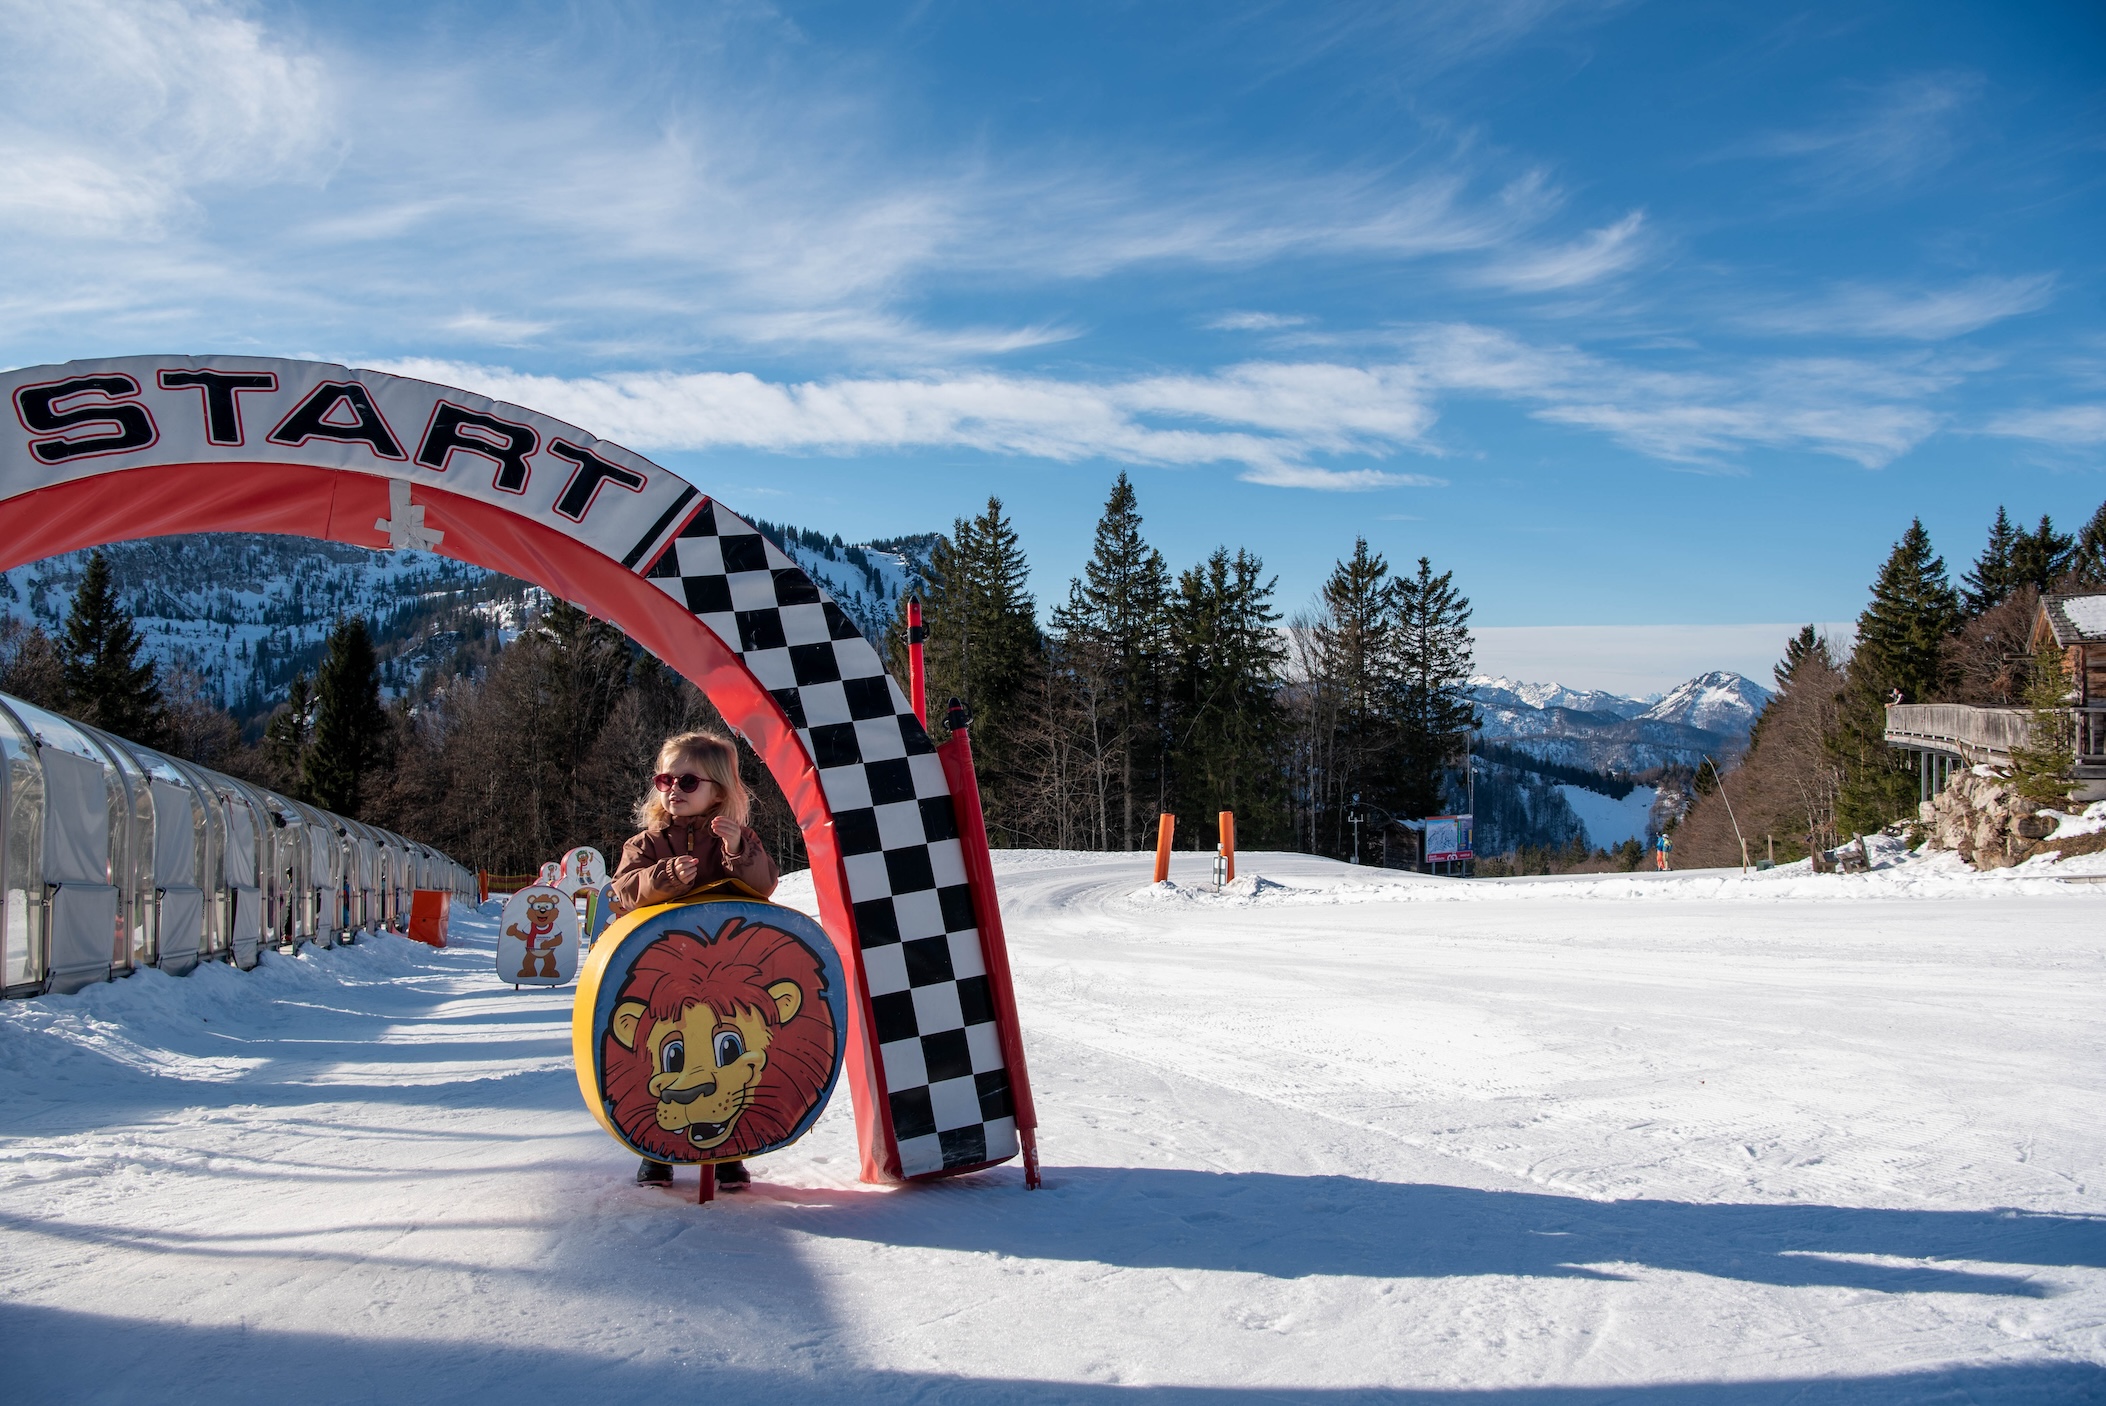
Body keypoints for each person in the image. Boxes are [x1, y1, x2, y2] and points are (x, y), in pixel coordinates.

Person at [611, 729, 781, 1191]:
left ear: (719, 790)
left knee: (724, 1058)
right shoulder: (646, 844)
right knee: (663, 1060)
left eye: (688, 782)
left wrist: (735, 852)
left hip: (723, 978)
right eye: (665, 780)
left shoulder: (738, 838)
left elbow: (762, 886)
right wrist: (661, 878)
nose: (672, 791)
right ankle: (655, 1152)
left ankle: (729, 1153)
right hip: (661, 978)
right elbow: (623, 890)